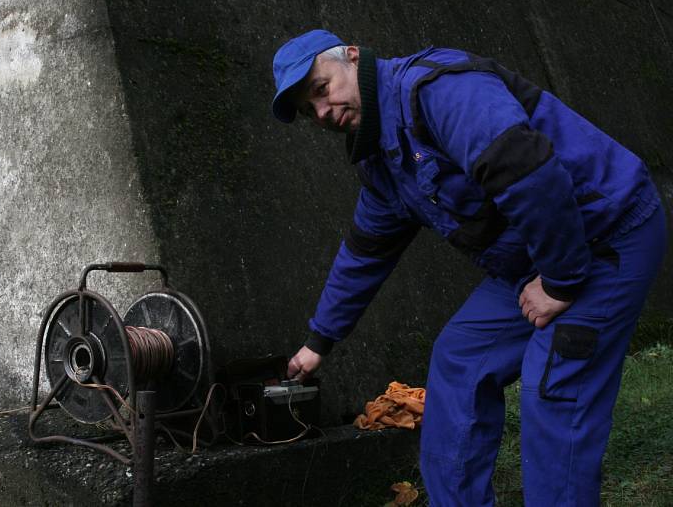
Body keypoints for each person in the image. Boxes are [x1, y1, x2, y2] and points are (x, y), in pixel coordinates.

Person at [271, 29, 666, 506]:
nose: (322, 112)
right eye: (308, 111)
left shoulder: (437, 90)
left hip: (604, 235)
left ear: (352, 57)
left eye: (321, 89)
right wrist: (319, 342)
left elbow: (528, 172)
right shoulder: (380, 161)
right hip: (535, 257)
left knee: (553, 387)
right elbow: (365, 252)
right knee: (459, 361)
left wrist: (560, 282)